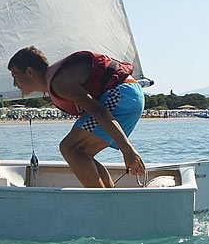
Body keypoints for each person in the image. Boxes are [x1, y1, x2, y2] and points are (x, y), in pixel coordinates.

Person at [8, 46, 146, 188]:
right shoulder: (56, 82)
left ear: (30, 72)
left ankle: (103, 203)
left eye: (15, 76)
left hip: (122, 94)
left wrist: (128, 150)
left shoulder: (59, 83)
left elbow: (99, 111)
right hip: (131, 95)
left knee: (69, 148)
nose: (14, 84)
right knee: (81, 153)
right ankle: (110, 199)